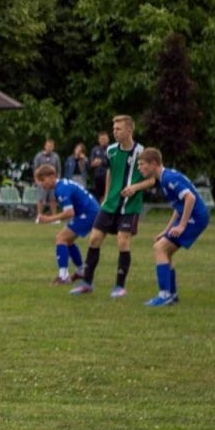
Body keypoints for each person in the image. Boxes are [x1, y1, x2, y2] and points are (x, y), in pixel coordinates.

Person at [70, 115, 143, 299]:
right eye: (114, 128)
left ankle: (120, 286)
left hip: (130, 206)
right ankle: (87, 282)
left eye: (118, 129)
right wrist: (107, 195)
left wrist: (135, 187)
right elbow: (110, 172)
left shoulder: (141, 153)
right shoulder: (110, 150)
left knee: (122, 241)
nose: (114, 132)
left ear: (129, 130)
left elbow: (153, 178)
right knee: (94, 239)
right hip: (110, 204)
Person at [135, 147, 209, 307]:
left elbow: (190, 198)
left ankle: (164, 294)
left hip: (195, 218)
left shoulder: (168, 178)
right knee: (165, 250)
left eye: (142, 164)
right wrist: (167, 230)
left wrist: (182, 226)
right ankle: (172, 295)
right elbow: (179, 205)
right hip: (192, 217)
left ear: (154, 163)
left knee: (159, 248)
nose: (139, 168)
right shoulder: (164, 178)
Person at [33, 163, 99, 284]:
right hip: (90, 211)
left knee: (61, 239)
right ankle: (81, 271)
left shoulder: (61, 189)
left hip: (88, 214)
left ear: (52, 176)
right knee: (68, 241)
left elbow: (69, 213)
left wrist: (49, 219)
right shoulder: (62, 185)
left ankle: (63, 276)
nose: (42, 184)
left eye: (43, 180)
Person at [32, 138, 62, 212]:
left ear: (53, 147)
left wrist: (57, 180)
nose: (49, 148)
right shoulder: (38, 156)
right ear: (45, 146)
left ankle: (54, 218)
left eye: (51, 146)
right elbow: (35, 169)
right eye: (48, 146)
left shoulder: (56, 157)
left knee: (53, 199)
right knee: (40, 199)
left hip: (53, 182)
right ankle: (39, 216)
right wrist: (36, 180)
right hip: (42, 181)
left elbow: (58, 170)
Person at [87, 131, 111, 198]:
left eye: (104, 139)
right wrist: (94, 163)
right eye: (101, 139)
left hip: (108, 176)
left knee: (108, 194)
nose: (102, 141)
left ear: (108, 139)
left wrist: (101, 162)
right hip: (97, 176)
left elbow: (112, 162)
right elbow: (91, 163)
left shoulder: (111, 149)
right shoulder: (95, 149)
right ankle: (101, 208)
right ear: (98, 140)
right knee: (99, 195)